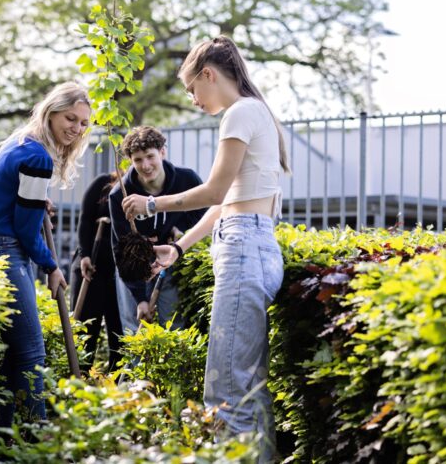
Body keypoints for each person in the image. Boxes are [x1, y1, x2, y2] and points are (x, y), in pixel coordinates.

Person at [121, 36, 291, 462]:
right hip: (254, 243)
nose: (193, 99)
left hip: (244, 249)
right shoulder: (258, 113)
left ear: (209, 75)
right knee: (247, 384)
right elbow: (228, 202)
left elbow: (214, 190)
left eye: (192, 88)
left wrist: (153, 203)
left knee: (226, 389)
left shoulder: (239, 113)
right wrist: (178, 248)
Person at [0, 82, 90, 432]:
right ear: (51, 112)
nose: (76, 129)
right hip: (7, 249)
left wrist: (31, 199)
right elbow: (26, 230)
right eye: (70, 118)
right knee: (31, 353)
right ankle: (35, 436)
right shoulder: (37, 155)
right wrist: (51, 266)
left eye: (83, 123)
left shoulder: (18, 140)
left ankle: (2, 437)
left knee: (14, 354)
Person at [108, 126, 206, 335]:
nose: (145, 165)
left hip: (172, 261)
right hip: (134, 269)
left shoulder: (187, 180)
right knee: (136, 330)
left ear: (162, 152)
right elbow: (122, 251)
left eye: (150, 156)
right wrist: (140, 298)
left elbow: (205, 216)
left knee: (174, 325)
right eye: (138, 160)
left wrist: (181, 231)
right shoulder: (120, 195)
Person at [70, 172, 123, 372]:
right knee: (84, 332)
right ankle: (77, 383)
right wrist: (84, 254)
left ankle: (117, 390)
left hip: (121, 274)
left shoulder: (142, 190)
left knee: (119, 336)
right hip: (90, 267)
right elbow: (84, 219)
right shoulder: (102, 183)